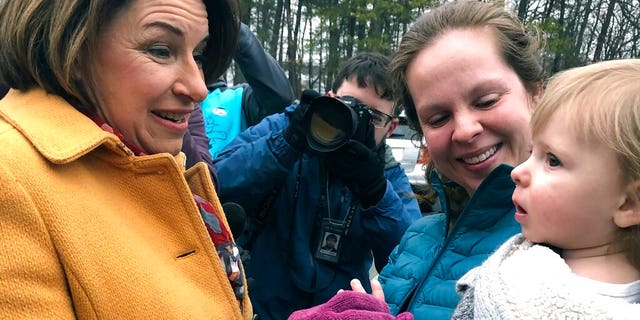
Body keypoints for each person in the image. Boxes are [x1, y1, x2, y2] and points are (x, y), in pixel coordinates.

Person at [0, 0, 253, 319]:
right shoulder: (10, 175)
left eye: (198, 54)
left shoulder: (148, 157)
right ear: (75, 49)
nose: (198, 88)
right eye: (161, 50)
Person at [296, 2, 544, 320]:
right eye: (438, 117)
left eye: (486, 100)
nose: (466, 130)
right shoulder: (418, 237)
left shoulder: (579, 242)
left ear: (536, 93)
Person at [214, 52, 422, 319]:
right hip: (260, 307)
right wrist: (288, 142)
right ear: (330, 98)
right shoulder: (288, 127)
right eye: (349, 105)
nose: (356, 121)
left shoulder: (385, 174)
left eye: (372, 116)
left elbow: (410, 261)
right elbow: (218, 185)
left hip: (335, 313)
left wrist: (375, 192)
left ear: (391, 127)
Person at [452, 59, 640, 319]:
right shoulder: (519, 269)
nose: (517, 172)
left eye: (552, 160)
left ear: (629, 203)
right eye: (532, 152)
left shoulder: (520, 294)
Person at [182, 22, 294, 190]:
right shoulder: (156, 101)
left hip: (229, 202)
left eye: (199, 55)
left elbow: (280, 100)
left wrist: (231, 26)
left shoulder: (236, 98)